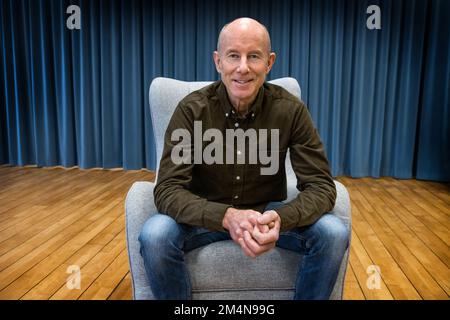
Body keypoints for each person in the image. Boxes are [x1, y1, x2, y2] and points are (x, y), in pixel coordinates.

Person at [139, 17, 349, 300]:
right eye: (233, 56)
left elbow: (322, 187)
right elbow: (167, 189)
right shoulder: (191, 111)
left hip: (266, 214)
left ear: (269, 62)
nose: (243, 67)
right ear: (218, 61)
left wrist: (281, 219)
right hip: (204, 217)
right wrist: (226, 216)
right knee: (155, 236)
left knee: (333, 233)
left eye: (254, 56)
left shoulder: (291, 111)